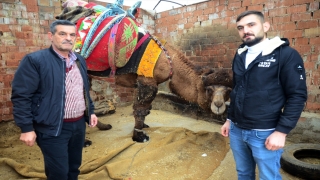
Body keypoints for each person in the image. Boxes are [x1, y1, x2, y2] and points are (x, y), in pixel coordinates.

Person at [220, 11, 307, 180]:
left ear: (265, 26)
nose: (246, 30)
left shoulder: (286, 55)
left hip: (264, 132)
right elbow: (237, 89)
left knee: (268, 177)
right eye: (241, 28)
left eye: (251, 25)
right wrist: (230, 119)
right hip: (237, 130)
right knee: (243, 173)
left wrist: (281, 132)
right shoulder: (240, 55)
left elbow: (297, 95)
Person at [11, 20, 98, 180]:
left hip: (78, 125)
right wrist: (26, 128)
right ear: (51, 36)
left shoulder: (79, 60)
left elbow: (83, 90)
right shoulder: (35, 61)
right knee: (58, 173)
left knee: (74, 167)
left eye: (72, 34)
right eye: (62, 34)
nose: (68, 38)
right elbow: (21, 96)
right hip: (52, 127)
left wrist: (90, 111)